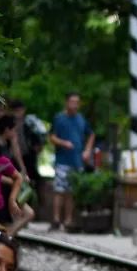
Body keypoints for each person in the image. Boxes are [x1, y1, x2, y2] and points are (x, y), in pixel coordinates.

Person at [48, 93, 95, 231]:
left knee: (71, 192)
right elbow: (51, 137)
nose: (74, 105)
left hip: (77, 161)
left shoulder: (81, 119)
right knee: (59, 190)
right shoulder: (59, 118)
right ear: (67, 102)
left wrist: (87, 150)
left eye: (77, 102)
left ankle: (68, 220)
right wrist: (63, 143)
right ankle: (56, 219)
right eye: (72, 102)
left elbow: (91, 134)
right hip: (62, 160)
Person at [10, 99, 46, 189]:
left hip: (29, 155)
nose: (18, 112)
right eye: (16, 110)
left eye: (20, 110)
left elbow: (40, 135)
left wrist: (38, 146)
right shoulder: (10, 124)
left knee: (33, 178)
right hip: (14, 157)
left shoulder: (30, 122)